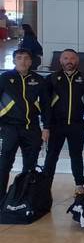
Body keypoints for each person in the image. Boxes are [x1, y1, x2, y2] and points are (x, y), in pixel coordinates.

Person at [43, 49, 84, 193]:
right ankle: (45, 185)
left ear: (76, 60)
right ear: (60, 60)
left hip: (77, 125)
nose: (69, 61)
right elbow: (45, 104)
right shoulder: (52, 78)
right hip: (56, 124)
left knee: (76, 155)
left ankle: (79, 184)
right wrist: (46, 125)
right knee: (52, 155)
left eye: (72, 58)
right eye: (65, 58)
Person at [0, 49, 47, 194]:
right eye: (19, 58)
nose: (23, 61)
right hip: (10, 128)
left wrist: (46, 127)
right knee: (5, 164)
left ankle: (24, 195)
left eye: (26, 58)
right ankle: (1, 197)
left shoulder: (39, 80)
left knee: (30, 165)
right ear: (14, 61)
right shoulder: (4, 78)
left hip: (31, 128)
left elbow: (46, 106)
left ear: (31, 62)